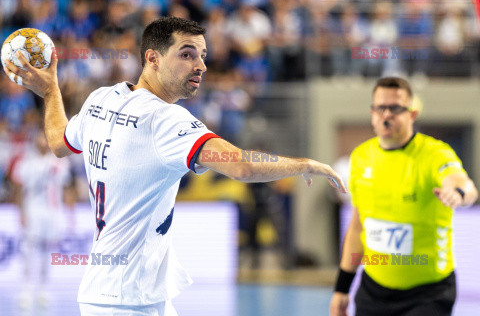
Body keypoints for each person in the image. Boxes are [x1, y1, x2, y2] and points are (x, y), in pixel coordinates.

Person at [4, 17, 346, 316]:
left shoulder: (100, 99)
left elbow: (58, 143)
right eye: (187, 54)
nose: (201, 66)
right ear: (152, 58)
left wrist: (50, 92)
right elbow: (240, 165)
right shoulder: (164, 119)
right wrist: (305, 164)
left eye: (203, 56)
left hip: (119, 291)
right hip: (128, 299)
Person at [329, 77, 478, 316]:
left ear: (412, 114)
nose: (386, 114)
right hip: (374, 290)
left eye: (395, 108)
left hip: (428, 294)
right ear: (372, 112)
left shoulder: (435, 153)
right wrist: (341, 288)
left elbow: (464, 184)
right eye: (380, 108)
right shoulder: (360, 158)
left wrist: (458, 193)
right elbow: (357, 227)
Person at [11, 130, 73, 309]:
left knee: (47, 252)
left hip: (52, 212)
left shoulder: (61, 161)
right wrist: (21, 211)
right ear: (35, 140)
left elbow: (67, 186)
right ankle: (25, 290)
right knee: (29, 252)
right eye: (40, 138)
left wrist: (70, 210)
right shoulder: (26, 162)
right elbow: (17, 188)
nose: (43, 141)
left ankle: (44, 289)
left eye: (46, 138)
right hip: (33, 211)